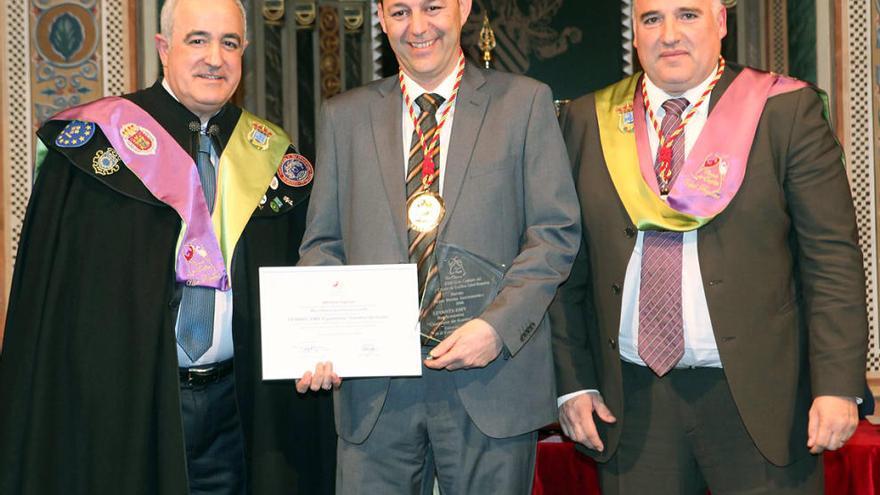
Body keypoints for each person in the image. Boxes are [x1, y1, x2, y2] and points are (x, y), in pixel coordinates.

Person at [0, 0, 336, 493]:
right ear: (163, 48)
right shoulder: (98, 149)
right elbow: (54, 310)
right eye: (197, 40)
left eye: (228, 43)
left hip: (237, 411)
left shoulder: (273, 159)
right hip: (126, 411)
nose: (214, 58)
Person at [551, 0, 868, 493]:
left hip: (762, 403)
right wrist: (574, 382)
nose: (669, 34)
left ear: (721, 22)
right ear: (634, 33)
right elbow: (566, 268)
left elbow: (831, 260)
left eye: (688, 15)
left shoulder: (782, 110)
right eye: (651, 19)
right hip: (631, 404)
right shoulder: (587, 119)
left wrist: (836, 385)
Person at [294, 0, 581, 492]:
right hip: (374, 391)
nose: (418, 27)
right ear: (380, 17)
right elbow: (323, 244)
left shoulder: (524, 104)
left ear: (464, 8)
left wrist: (497, 328)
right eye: (401, 11)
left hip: (490, 377)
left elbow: (553, 235)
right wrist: (322, 338)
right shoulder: (344, 116)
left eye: (433, 7)